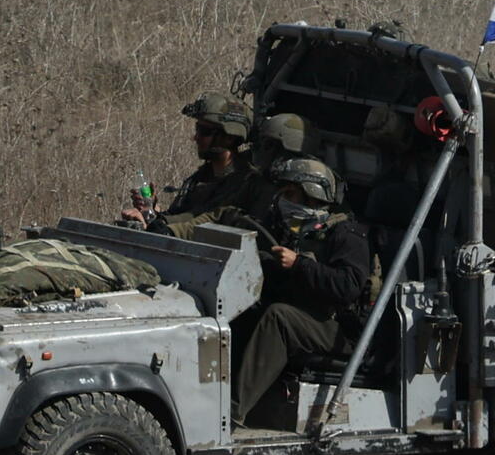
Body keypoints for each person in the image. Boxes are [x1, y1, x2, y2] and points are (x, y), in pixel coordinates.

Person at [231, 156, 377, 429]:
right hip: (311, 319)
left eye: (289, 194)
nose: (282, 199)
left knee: (279, 318)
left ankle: (233, 413)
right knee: (246, 313)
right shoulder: (296, 230)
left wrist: (299, 265)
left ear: (312, 195)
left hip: (342, 331)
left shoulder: (346, 233)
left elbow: (348, 287)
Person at [145, 93, 260, 231]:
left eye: (204, 131)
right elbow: (179, 216)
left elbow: (208, 221)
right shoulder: (199, 179)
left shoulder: (244, 184)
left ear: (229, 137)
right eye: (197, 129)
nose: (196, 137)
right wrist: (151, 212)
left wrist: (165, 225)